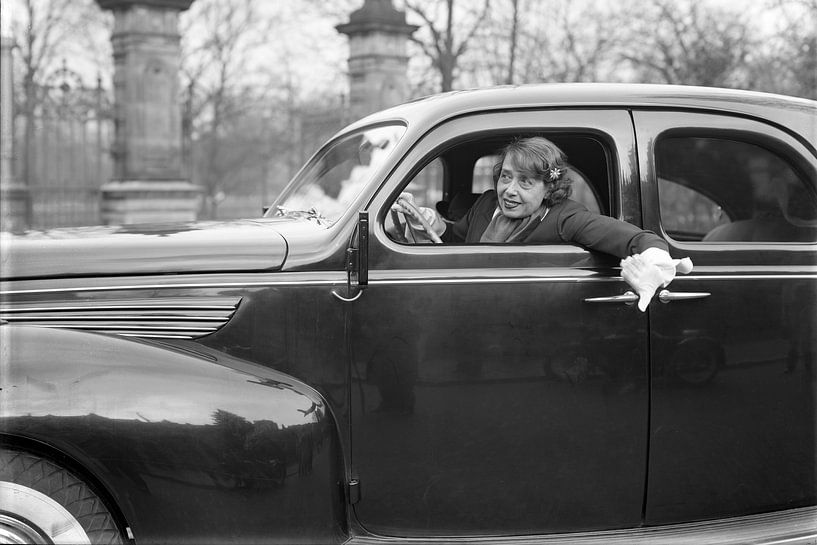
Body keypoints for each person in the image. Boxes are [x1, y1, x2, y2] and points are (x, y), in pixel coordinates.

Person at [391, 136, 692, 310]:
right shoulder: (485, 204)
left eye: (525, 182)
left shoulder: (566, 217)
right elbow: (456, 241)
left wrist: (654, 269)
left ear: (549, 188)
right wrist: (428, 222)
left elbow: (640, 240)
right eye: (506, 176)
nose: (509, 190)